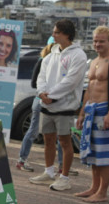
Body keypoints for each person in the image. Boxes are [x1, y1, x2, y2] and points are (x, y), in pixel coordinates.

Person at [29, 19, 88, 192]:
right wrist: (42, 93)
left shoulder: (78, 55)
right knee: (47, 140)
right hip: (47, 105)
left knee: (64, 141)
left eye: (56, 32)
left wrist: (52, 96)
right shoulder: (51, 55)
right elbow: (41, 76)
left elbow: (71, 81)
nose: (53, 35)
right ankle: (49, 171)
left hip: (65, 107)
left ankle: (65, 177)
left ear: (66, 34)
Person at [73, 26, 109, 202]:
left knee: (105, 154)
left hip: (105, 110)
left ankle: (102, 192)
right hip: (92, 110)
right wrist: (82, 113)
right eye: (95, 41)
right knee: (93, 152)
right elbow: (89, 89)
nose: (97, 44)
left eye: (101, 41)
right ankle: (94, 187)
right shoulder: (95, 61)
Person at [16, 43, 54, 171]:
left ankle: (22, 160)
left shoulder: (43, 61)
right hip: (42, 100)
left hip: (41, 99)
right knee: (35, 130)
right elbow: (34, 83)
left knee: (36, 130)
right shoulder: (44, 62)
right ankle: (22, 160)